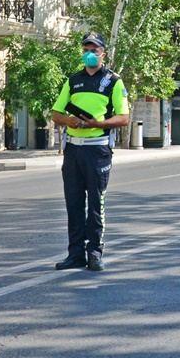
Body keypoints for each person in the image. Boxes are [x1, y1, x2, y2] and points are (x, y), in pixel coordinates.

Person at [50, 32, 130, 272]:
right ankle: (75, 254)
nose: (90, 54)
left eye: (94, 50)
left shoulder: (113, 81)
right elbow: (56, 113)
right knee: (73, 204)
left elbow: (124, 118)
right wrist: (69, 121)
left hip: (97, 150)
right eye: (86, 50)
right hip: (73, 149)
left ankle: (94, 252)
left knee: (96, 203)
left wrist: (97, 124)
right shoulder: (73, 81)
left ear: (103, 54)